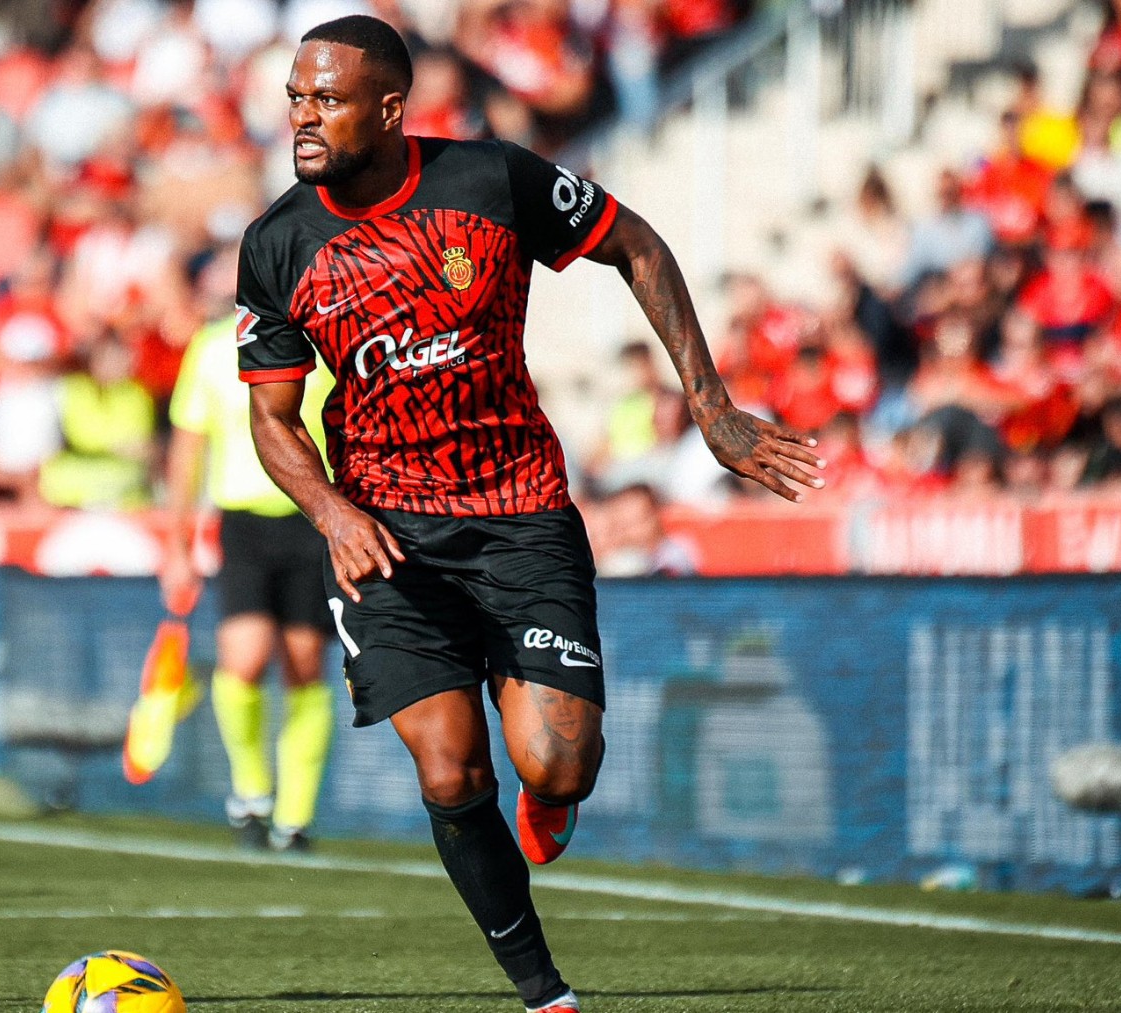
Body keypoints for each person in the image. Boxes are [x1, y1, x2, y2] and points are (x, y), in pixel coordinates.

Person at [236, 16, 823, 1012]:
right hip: (384, 532)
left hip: (520, 513)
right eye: (295, 95)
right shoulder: (279, 242)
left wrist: (710, 405)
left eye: (324, 99)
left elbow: (635, 242)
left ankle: (551, 798)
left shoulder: (492, 181)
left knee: (556, 757)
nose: (302, 115)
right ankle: (544, 991)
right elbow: (273, 418)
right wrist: (331, 510)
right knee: (449, 759)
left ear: (388, 106)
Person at [161, 262, 335, 852]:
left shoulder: (325, 344)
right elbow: (187, 453)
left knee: (306, 664)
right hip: (243, 523)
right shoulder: (211, 350)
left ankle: (295, 815)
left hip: (315, 519)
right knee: (245, 658)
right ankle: (252, 790)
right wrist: (177, 545)